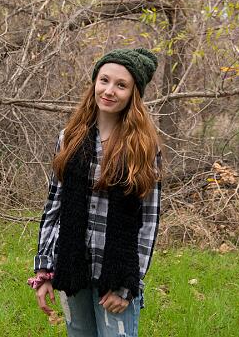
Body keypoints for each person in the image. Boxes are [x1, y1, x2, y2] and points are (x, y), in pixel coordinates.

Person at [28, 48, 162, 337]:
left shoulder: (143, 148)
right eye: (104, 80)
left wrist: (128, 284)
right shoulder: (70, 138)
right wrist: (44, 269)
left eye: (121, 85)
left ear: (134, 94)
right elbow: (54, 206)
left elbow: (149, 223)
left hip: (116, 274)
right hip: (71, 265)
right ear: (94, 83)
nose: (109, 91)